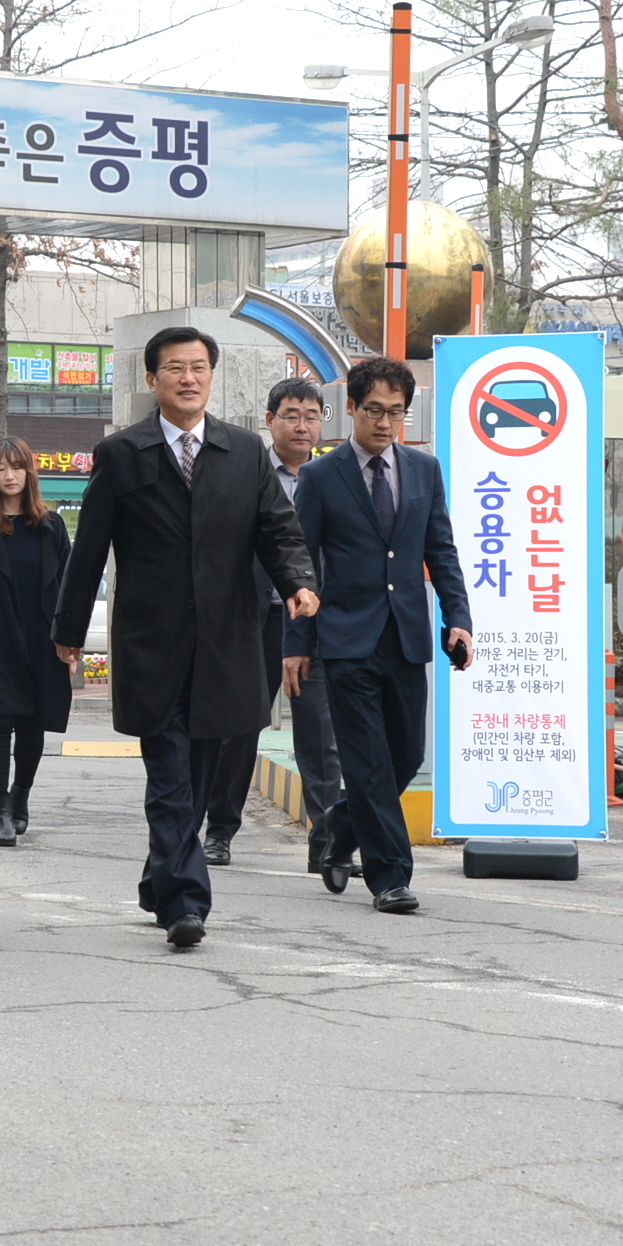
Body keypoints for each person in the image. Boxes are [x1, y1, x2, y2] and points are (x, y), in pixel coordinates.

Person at [53, 327, 318, 949]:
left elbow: (277, 531)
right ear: (154, 380)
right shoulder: (123, 453)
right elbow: (89, 548)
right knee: (169, 773)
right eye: (175, 368)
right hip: (153, 643)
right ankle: (184, 902)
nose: (189, 378)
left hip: (227, 641)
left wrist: (300, 583)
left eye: (199, 367)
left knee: (198, 777)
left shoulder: (245, 451)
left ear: (211, 376)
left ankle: (161, 873)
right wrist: (68, 630)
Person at [284, 356, 474, 915]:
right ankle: (390, 876)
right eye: (374, 411)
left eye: (396, 412)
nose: (386, 423)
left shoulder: (423, 470)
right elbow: (301, 565)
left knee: (404, 755)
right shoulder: (321, 477)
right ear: (351, 409)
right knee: (366, 761)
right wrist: (297, 645)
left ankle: (339, 828)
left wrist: (457, 618)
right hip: (344, 637)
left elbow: (441, 550)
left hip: (407, 637)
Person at [206, 377, 347, 872]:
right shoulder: (245, 469)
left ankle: (325, 841)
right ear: (270, 421)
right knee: (240, 728)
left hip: (310, 621)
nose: (303, 425)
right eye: (292, 415)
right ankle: (220, 830)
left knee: (319, 734)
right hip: (254, 618)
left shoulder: (332, 475)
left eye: (312, 416)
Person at [0, 438, 73, 848]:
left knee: (34, 724)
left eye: (17, 467)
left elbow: (70, 586)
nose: (9, 476)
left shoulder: (49, 526)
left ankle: (21, 797)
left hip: (42, 640)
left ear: (30, 472)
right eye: (1, 468)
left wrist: (69, 637)